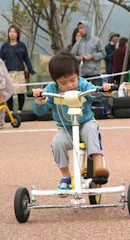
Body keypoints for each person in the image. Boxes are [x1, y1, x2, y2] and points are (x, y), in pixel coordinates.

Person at [31, 52, 113, 190]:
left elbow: (97, 95)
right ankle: (66, 177)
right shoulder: (51, 89)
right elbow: (40, 111)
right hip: (66, 130)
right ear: (54, 80)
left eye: (72, 80)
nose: (69, 85)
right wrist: (40, 100)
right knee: (57, 143)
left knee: (91, 129)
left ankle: (99, 168)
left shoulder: (83, 84)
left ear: (77, 74)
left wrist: (104, 91)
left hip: (85, 124)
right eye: (63, 82)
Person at [0, 25, 36, 113]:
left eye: (14, 32)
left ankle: (20, 109)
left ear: (17, 34)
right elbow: (1, 60)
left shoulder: (22, 46)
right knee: (9, 92)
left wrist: (30, 69)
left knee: (21, 91)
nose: (12, 34)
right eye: (10, 32)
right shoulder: (4, 46)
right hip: (8, 72)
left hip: (19, 71)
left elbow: (26, 58)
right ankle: (11, 110)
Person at [71, 21, 106, 86]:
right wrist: (79, 58)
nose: (80, 30)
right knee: (83, 93)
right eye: (79, 28)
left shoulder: (97, 41)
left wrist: (92, 56)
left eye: (82, 28)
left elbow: (103, 53)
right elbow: (71, 57)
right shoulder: (78, 43)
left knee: (98, 93)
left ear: (87, 28)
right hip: (83, 74)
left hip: (95, 73)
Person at [0, 59, 14, 129]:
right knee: (1, 104)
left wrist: (1, 90)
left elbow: (1, 77)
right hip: (3, 86)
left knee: (1, 104)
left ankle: (1, 122)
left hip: (3, 86)